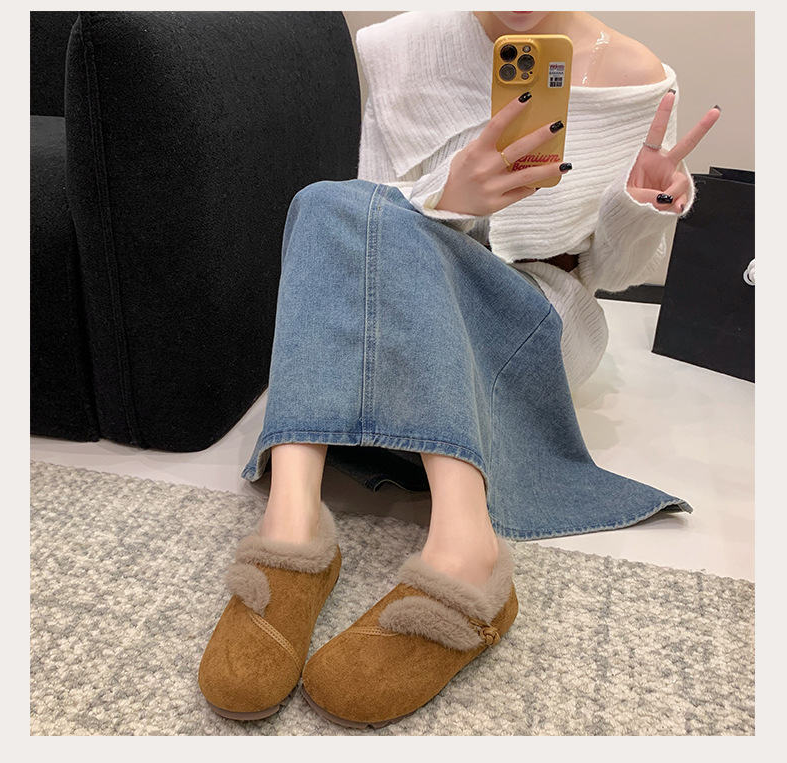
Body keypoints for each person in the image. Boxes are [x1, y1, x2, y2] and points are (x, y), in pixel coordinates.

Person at [198, 10, 720, 728]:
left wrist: (638, 207)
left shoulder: (642, 80)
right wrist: (450, 201)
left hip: (539, 310)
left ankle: (464, 543)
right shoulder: (397, 47)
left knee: (344, 212)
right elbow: (372, 224)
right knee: (324, 200)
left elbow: (612, 270)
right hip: (415, 302)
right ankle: (293, 524)